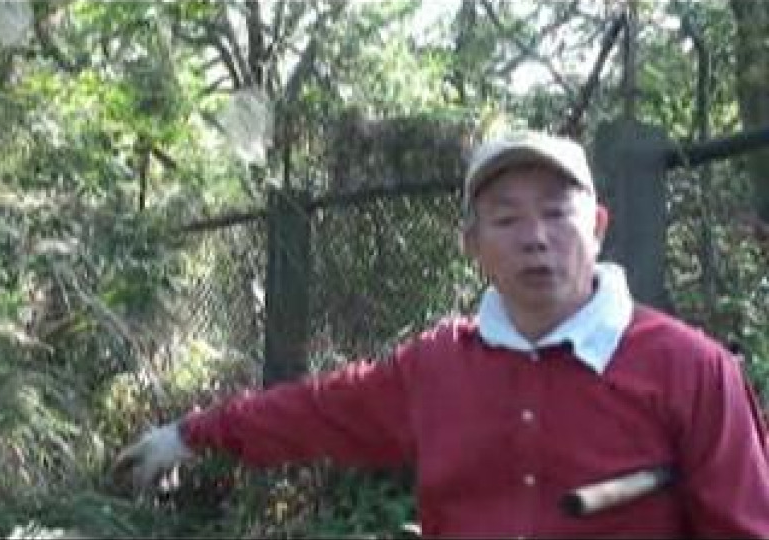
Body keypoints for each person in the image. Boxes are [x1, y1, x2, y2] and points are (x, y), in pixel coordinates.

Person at [116, 130, 769, 537]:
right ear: (471, 245)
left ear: (597, 227)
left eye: (556, 213)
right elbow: (317, 411)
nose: (536, 237)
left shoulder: (692, 370)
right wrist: (190, 434)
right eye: (507, 219)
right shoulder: (438, 368)